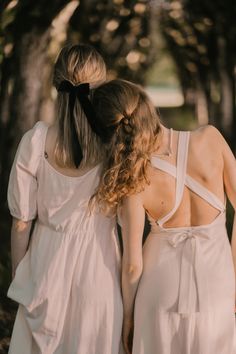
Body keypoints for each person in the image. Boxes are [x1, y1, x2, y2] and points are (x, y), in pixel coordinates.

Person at [91, 79, 236, 354]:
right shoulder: (210, 139)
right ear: (147, 104)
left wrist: (129, 319)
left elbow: (133, 265)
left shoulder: (134, 177)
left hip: (159, 290)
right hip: (216, 283)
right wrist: (234, 272)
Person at [7, 44, 123, 354]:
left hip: (45, 264)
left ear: (57, 83)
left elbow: (21, 222)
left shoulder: (36, 141)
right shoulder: (114, 145)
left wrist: (23, 277)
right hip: (99, 268)